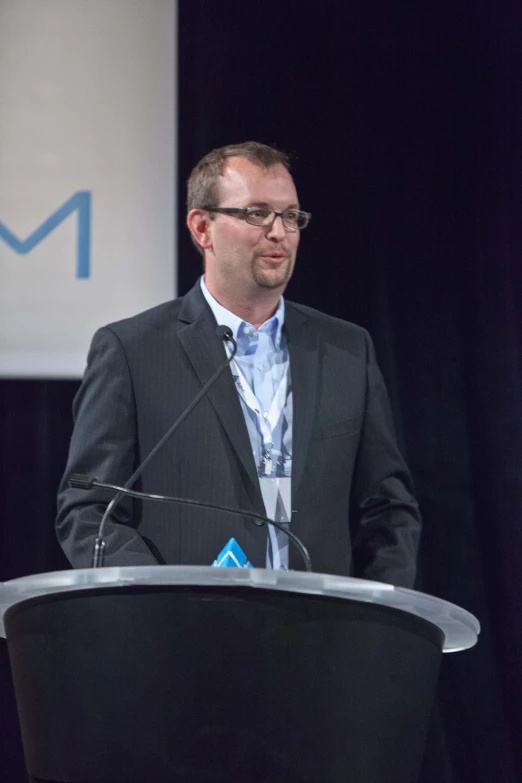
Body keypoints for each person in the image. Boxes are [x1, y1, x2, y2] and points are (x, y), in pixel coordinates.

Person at [56, 141, 421, 586]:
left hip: (323, 636)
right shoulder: (132, 351)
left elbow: (386, 508)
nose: (279, 232)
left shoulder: (347, 349)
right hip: (186, 632)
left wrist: (382, 620)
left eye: (291, 216)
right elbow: (89, 509)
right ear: (202, 227)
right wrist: (159, 604)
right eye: (257, 214)